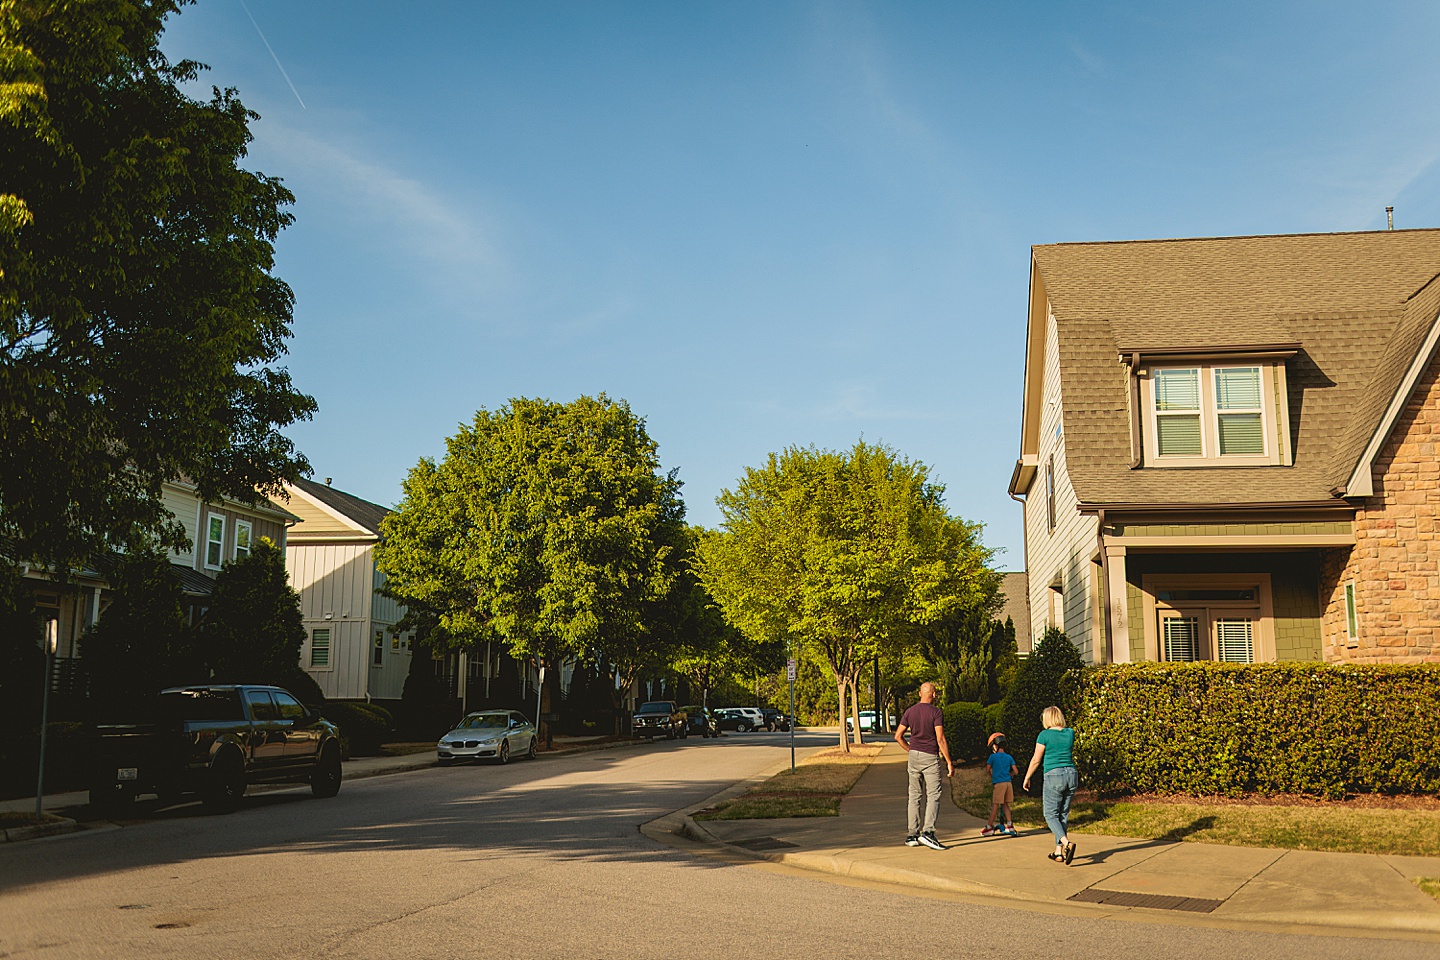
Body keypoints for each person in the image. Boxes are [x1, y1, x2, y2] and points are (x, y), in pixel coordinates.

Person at [894, 681, 953, 850]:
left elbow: (898, 735)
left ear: (920, 694)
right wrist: (949, 761)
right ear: (933, 695)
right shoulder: (936, 712)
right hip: (930, 756)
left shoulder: (910, 711)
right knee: (933, 794)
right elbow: (940, 738)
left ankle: (912, 834)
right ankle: (928, 832)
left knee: (914, 795)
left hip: (914, 756)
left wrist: (910, 749)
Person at [1022, 705, 1078, 864]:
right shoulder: (1070, 733)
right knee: (1063, 814)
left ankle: (1067, 844)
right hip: (1071, 774)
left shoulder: (1044, 735)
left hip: (1054, 775)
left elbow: (1036, 759)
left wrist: (1027, 777)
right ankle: (1058, 852)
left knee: (1050, 814)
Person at [981, 733, 1018, 837]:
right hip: (1008, 783)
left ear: (995, 745)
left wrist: (992, 776)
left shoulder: (993, 757)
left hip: (999, 784)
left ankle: (989, 827)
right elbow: (1016, 771)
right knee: (1005, 804)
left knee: (995, 805)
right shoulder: (1009, 757)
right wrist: (1010, 775)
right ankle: (1010, 825)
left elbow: (987, 769)